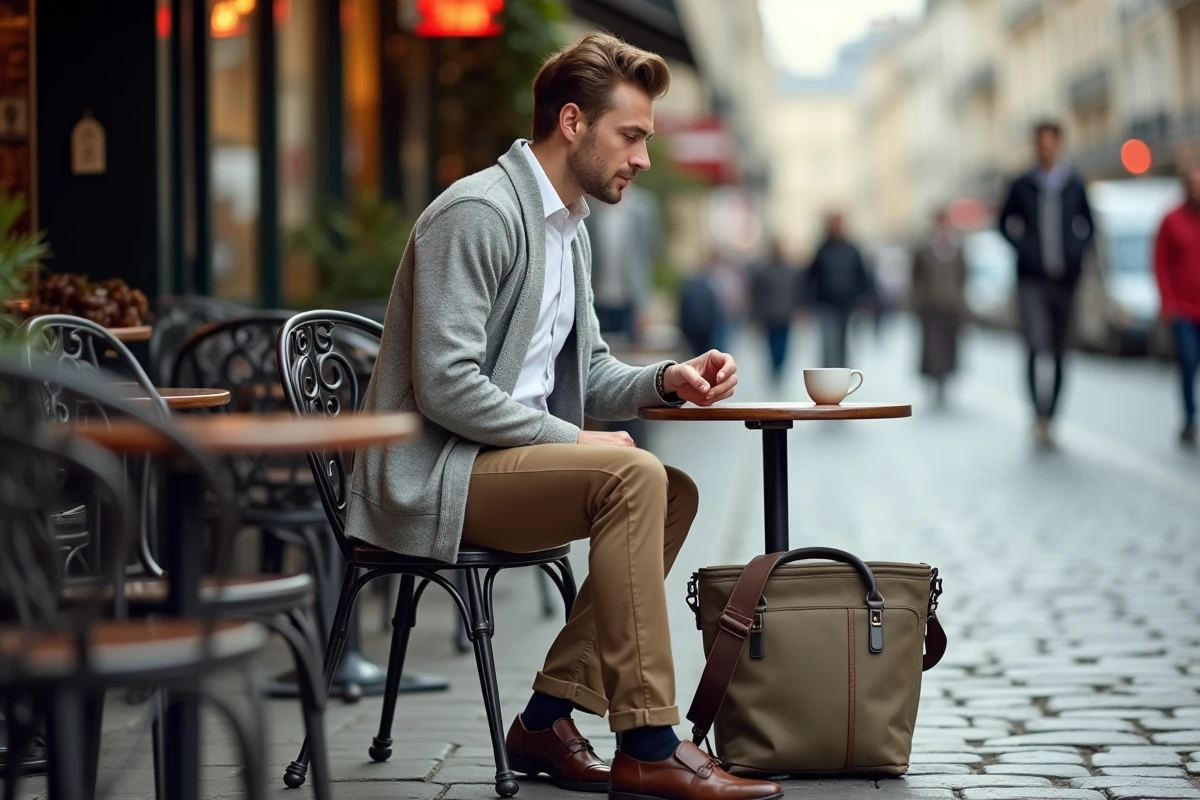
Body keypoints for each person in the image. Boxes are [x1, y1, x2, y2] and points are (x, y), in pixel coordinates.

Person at [344, 33, 781, 800]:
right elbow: (446, 386)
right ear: (573, 122)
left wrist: (668, 380)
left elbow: (586, 373)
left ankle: (546, 718)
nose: (643, 158)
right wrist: (570, 437)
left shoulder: (567, 229)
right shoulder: (479, 213)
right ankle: (648, 740)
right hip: (438, 473)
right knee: (630, 474)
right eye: (632, 136)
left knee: (670, 488)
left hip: (501, 465)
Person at [998, 120, 1094, 448]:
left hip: (1065, 281)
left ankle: (1051, 415)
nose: (1046, 148)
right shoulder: (1022, 184)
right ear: (1035, 147)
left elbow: (1089, 226)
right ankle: (1037, 414)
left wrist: (1075, 252)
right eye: (1041, 143)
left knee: (1060, 351)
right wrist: (1026, 249)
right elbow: (1004, 223)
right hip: (1031, 280)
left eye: (1051, 143)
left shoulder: (1074, 183)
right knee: (1035, 345)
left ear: (1059, 145)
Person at [1153, 164, 1200, 447]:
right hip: (1182, 309)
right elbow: (1160, 264)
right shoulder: (1170, 220)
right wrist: (1167, 302)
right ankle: (1189, 418)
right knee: (1188, 361)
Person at [587, 182, 662, 343]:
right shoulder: (594, 206)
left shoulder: (643, 207)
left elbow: (649, 254)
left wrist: (644, 305)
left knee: (630, 356)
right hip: (597, 298)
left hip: (630, 300)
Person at [910, 208, 967, 405]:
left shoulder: (957, 248)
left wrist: (961, 301)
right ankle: (933, 377)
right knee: (932, 346)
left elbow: (962, 276)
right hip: (930, 304)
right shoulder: (923, 248)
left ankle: (946, 377)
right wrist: (917, 301)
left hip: (951, 304)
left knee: (950, 344)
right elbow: (915, 277)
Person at [804, 212, 873, 368]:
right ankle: (828, 374)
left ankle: (841, 375)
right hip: (826, 304)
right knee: (829, 342)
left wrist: (865, 298)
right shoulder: (822, 250)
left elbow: (862, 275)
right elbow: (811, 278)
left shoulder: (852, 250)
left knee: (843, 342)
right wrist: (808, 302)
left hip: (848, 304)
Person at [749, 238, 800, 384]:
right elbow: (757, 294)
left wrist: (797, 308)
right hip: (769, 315)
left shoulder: (790, 270)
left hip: (785, 314)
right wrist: (756, 314)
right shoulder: (763, 271)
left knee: (783, 344)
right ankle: (774, 367)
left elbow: (797, 292)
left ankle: (779, 367)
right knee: (771, 344)